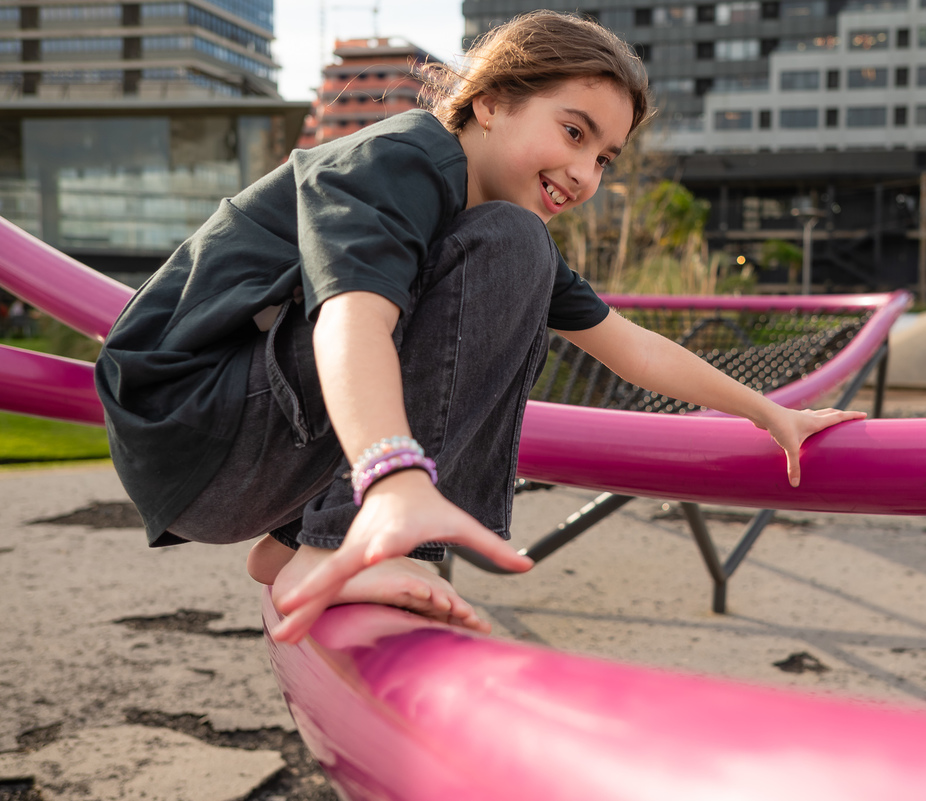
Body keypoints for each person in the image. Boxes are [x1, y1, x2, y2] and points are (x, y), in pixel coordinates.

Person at [95, 11, 865, 646]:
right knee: (516, 248)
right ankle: (348, 540)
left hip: (232, 447)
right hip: (193, 421)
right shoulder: (399, 161)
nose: (587, 175)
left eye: (606, 158)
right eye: (573, 132)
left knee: (519, 256)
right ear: (491, 100)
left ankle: (298, 542)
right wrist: (392, 478)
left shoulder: (486, 227)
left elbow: (628, 344)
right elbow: (349, 320)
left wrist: (770, 413)